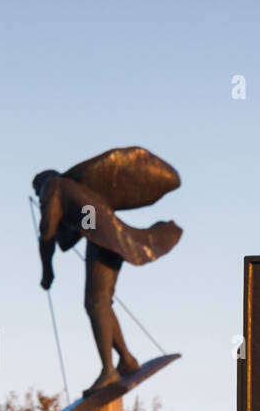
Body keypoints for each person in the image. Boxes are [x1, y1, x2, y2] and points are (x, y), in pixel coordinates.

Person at [33, 147, 182, 393]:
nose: (40, 199)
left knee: (96, 302)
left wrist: (46, 271)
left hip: (103, 238)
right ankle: (126, 360)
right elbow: (69, 239)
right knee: (99, 301)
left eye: (38, 194)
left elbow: (47, 236)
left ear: (41, 184)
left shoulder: (53, 186)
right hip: (104, 236)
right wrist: (70, 227)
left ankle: (108, 371)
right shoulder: (73, 192)